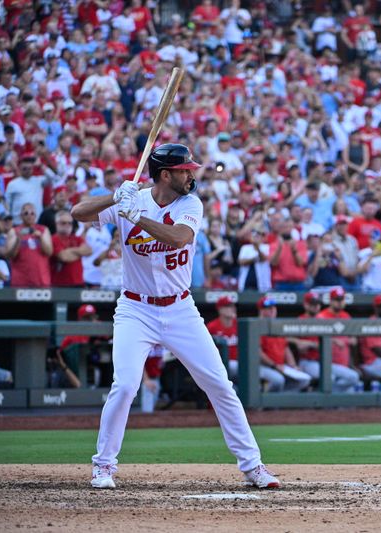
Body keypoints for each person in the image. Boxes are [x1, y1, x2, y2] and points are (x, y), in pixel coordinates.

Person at [71, 143, 280, 490]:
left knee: (219, 384)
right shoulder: (131, 199)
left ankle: (253, 466)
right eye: (185, 170)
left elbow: (180, 238)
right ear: (165, 174)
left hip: (180, 308)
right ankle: (103, 466)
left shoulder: (189, 203)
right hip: (135, 308)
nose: (192, 175)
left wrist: (136, 217)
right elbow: (78, 212)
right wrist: (114, 197)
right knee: (124, 386)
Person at [308, 287, 361, 392]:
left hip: (344, 364)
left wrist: (352, 340)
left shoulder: (346, 316)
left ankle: (320, 393)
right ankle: (322, 394)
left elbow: (353, 339)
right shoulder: (321, 316)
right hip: (326, 362)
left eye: (341, 300)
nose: (340, 303)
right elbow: (316, 342)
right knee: (352, 377)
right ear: (330, 301)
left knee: (349, 402)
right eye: (337, 300)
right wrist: (335, 341)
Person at [257, 297, 312, 392]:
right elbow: (258, 353)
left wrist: (293, 365)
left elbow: (286, 348)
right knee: (278, 380)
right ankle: (266, 401)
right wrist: (274, 366)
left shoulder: (277, 326)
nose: (272, 310)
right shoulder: (257, 325)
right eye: (268, 308)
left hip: (280, 367)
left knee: (304, 380)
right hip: (262, 366)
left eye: (273, 307)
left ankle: (276, 401)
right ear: (261, 311)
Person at [4, 202, 52, 287]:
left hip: (41, 281)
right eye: (26, 213)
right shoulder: (14, 231)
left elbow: (49, 252)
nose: (29, 215)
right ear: (21, 216)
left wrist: (40, 238)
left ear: (35, 215)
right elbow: (10, 255)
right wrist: (18, 239)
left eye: (32, 213)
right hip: (20, 281)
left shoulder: (43, 230)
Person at [51, 210, 92, 287]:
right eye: (63, 223)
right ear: (56, 224)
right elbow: (64, 257)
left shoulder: (76, 238)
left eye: (70, 223)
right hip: (59, 284)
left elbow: (89, 250)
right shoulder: (53, 239)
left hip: (78, 283)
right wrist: (79, 253)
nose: (67, 225)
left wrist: (70, 251)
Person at [206, 296, 239, 378]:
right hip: (220, 365)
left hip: (238, 363)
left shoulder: (238, 325)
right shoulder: (212, 326)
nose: (232, 308)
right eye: (228, 306)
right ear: (220, 309)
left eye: (232, 306)